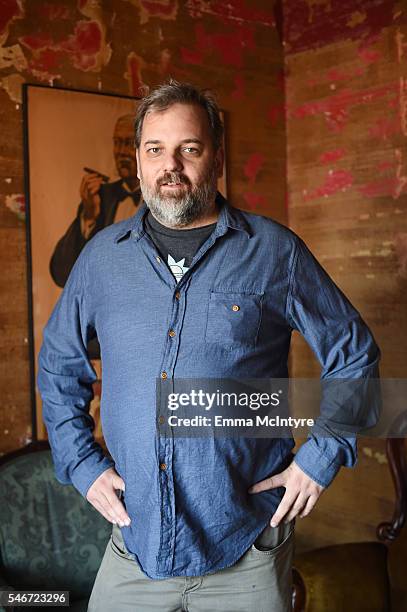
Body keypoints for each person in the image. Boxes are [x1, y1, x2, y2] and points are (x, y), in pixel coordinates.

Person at [37, 80, 381, 612]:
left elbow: (353, 354)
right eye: (155, 149)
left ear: (216, 158)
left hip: (245, 547)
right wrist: (81, 462)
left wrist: (321, 456)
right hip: (135, 547)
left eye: (188, 148)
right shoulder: (101, 260)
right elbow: (60, 365)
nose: (169, 164)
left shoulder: (273, 252)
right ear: (138, 159)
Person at [49, 114, 142, 289]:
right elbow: (61, 273)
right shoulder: (102, 197)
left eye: (128, 143)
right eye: (117, 142)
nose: (121, 152)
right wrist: (88, 217)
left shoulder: (163, 199)